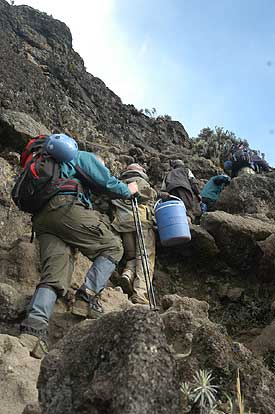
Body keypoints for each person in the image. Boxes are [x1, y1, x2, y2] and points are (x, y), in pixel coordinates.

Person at [19, 134, 138, 359]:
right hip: (65, 208)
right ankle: (86, 299)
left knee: (54, 276)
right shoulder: (83, 157)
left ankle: (33, 332)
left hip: (42, 220)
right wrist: (128, 190)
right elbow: (107, 182)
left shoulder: (47, 165)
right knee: (113, 246)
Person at [111, 163, 157, 305]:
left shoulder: (117, 184)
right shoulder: (139, 181)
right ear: (140, 171)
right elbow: (148, 194)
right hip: (140, 223)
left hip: (122, 225)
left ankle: (127, 274)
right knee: (144, 257)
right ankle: (140, 293)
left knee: (131, 256)